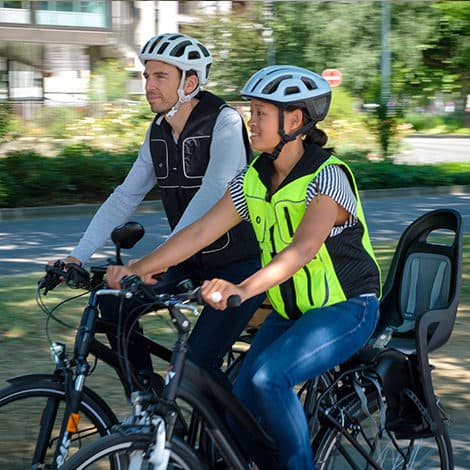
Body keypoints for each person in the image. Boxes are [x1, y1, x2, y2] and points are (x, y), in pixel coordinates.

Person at [106, 65, 381, 470]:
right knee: (239, 407)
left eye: (259, 115)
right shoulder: (255, 177)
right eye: (250, 113)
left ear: (295, 121)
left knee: (269, 378)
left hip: (347, 309)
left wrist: (242, 289)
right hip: (291, 314)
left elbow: (302, 250)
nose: (249, 123)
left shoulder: (328, 178)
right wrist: (140, 267)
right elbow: (200, 232)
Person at [54, 33, 263, 389]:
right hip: (186, 262)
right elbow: (124, 197)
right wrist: (76, 257)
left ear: (190, 82)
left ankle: (231, 437)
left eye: (160, 76)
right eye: (146, 76)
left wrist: (161, 259)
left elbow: (214, 190)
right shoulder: (157, 133)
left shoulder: (224, 122)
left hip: (238, 265)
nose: (148, 85)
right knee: (114, 304)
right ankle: (147, 404)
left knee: (198, 364)